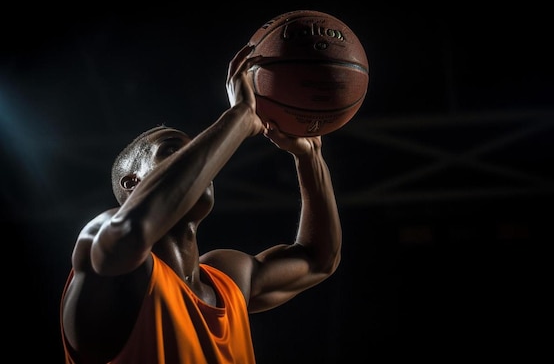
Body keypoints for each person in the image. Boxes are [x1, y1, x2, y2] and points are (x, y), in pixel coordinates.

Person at [59, 44, 342, 364]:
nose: (204, 163)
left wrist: (309, 155)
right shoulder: (107, 250)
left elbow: (319, 259)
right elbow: (131, 230)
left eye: (198, 152)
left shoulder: (228, 278)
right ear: (132, 182)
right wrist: (240, 116)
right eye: (174, 152)